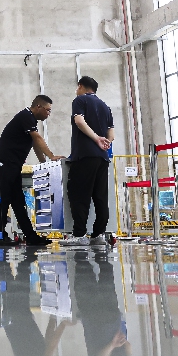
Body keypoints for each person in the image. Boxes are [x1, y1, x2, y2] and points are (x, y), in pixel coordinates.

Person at [0, 249, 73, 356]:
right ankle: (14, 251)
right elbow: (48, 340)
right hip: (19, 319)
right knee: (17, 283)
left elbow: (51, 346)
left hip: (16, 320)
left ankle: (6, 248)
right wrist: (53, 318)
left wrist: (63, 325)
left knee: (12, 282)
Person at [0, 95, 63, 247]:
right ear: (38, 107)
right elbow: (37, 138)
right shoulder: (26, 116)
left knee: (18, 202)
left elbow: (35, 143)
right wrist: (51, 156)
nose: (48, 114)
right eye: (48, 110)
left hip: (13, 165)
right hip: (6, 164)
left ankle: (30, 236)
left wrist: (45, 162)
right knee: (3, 200)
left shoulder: (30, 120)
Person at [71, 250, 133, 356]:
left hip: (113, 320)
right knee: (85, 285)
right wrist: (111, 345)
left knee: (107, 286)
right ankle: (81, 250)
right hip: (95, 324)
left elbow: (128, 347)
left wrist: (119, 338)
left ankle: (101, 252)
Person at [63, 77, 115, 247]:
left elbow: (79, 121)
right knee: (100, 197)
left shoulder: (80, 100)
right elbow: (111, 135)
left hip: (84, 155)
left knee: (79, 195)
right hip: (102, 158)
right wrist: (105, 142)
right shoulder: (106, 107)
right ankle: (98, 235)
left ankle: (79, 235)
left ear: (80, 86)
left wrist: (95, 139)